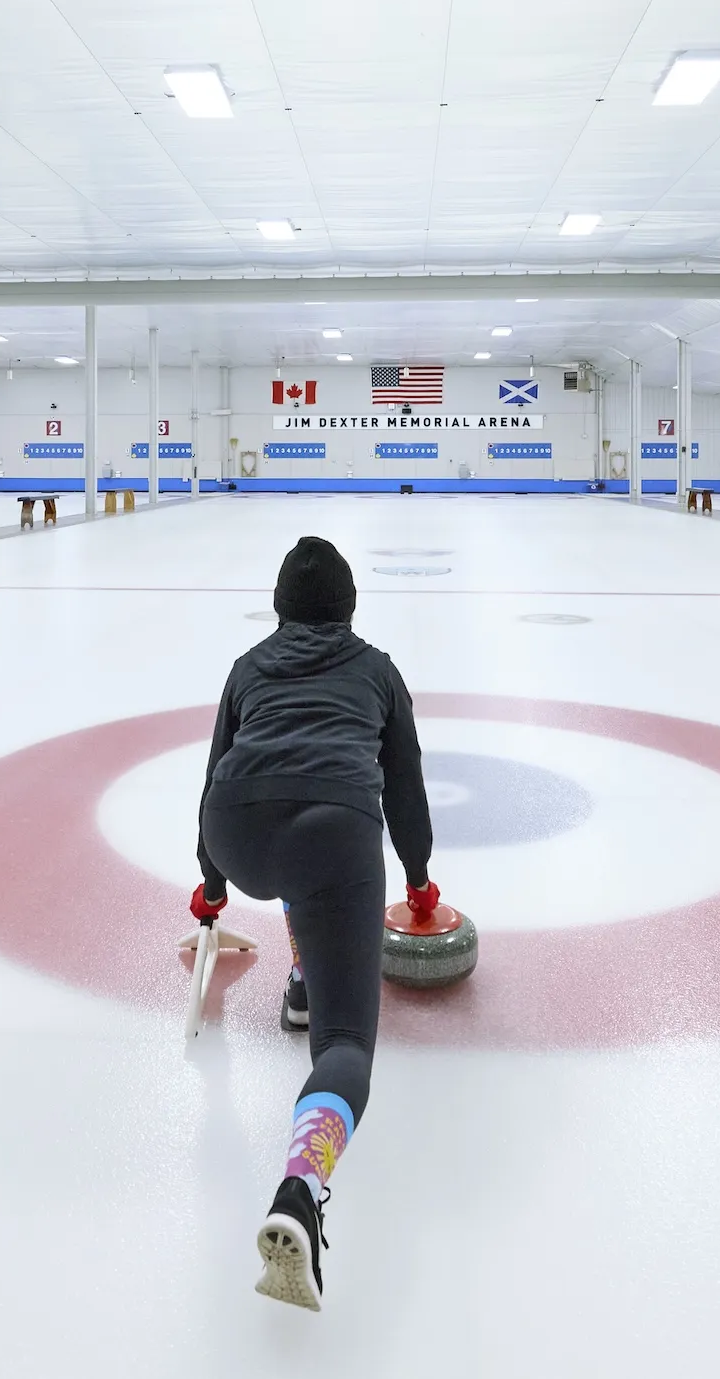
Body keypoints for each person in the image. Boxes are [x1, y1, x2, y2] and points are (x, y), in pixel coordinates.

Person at [189, 537, 434, 1313]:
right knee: (345, 1046)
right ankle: (301, 1183)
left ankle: (300, 983)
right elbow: (405, 796)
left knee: (300, 877)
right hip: (334, 834)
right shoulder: (378, 669)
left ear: (280, 608)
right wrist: (420, 883)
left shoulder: (246, 666)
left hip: (239, 829)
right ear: (351, 605)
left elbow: (214, 772)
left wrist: (213, 888)